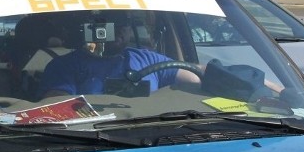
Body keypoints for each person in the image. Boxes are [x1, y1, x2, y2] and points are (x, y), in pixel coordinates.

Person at [38, 18, 200, 98]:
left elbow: (195, 75)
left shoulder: (148, 59)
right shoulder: (65, 66)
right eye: (112, 23)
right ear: (95, 29)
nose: (119, 29)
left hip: (155, 131)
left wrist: (221, 73)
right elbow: (58, 109)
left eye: (125, 23)